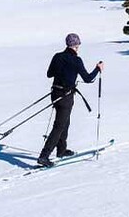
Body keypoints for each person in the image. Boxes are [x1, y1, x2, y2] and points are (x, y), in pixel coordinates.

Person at [38, 33, 104, 167]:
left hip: (55, 93)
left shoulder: (57, 56)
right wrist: (98, 69)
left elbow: (49, 74)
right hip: (66, 96)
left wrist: (62, 71)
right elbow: (88, 78)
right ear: (77, 45)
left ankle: (61, 150)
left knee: (65, 122)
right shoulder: (76, 60)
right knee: (59, 126)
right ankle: (44, 156)